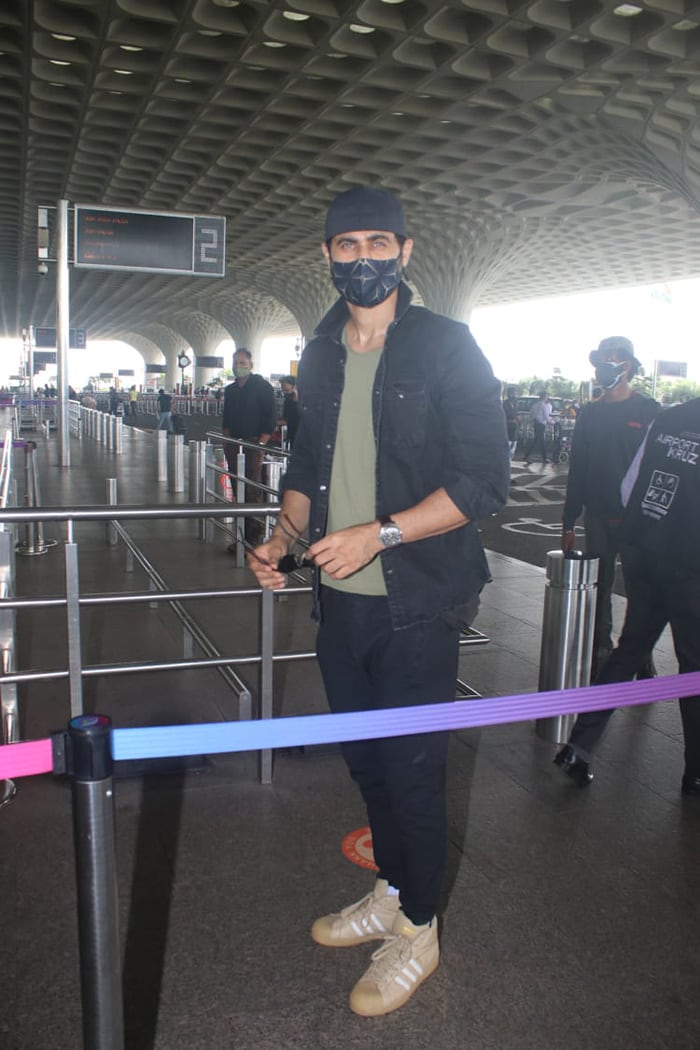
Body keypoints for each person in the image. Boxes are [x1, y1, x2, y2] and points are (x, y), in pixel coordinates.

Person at [247, 186, 509, 1017]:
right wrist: (282, 539)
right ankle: (394, 891)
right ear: (325, 255)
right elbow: (304, 472)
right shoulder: (319, 355)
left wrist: (379, 535)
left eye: (378, 243)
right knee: (367, 764)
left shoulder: (447, 347)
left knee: (414, 771)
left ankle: (421, 929)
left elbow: (482, 484)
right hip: (341, 601)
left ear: (406, 249)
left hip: (419, 602)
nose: (363, 258)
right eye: (347, 245)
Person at [555, 398, 700, 795]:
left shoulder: (668, 418)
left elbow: (628, 487)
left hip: (647, 553)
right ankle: (696, 772)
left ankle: (579, 746)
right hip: (690, 566)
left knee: (629, 649)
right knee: (694, 667)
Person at [561, 336, 660, 677]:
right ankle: (600, 649)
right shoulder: (590, 413)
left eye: (609, 361)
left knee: (639, 590)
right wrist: (568, 520)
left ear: (627, 367)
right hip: (598, 515)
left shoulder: (648, 411)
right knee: (600, 587)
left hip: (637, 521)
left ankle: (638, 656)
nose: (602, 368)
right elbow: (578, 468)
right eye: (599, 362)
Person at [222, 348, 276, 545]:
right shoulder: (230, 390)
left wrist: (260, 443)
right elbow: (226, 419)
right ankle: (242, 535)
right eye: (236, 363)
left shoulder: (262, 387)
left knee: (252, 487)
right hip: (234, 444)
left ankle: (253, 535)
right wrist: (227, 441)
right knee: (238, 486)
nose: (239, 367)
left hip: (253, 443)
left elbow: (270, 417)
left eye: (243, 363)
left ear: (251, 365)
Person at [522, 391, 552, 464]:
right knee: (540, 441)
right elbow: (546, 416)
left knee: (537, 441)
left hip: (536, 423)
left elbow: (531, 414)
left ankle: (528, 456)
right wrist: (552, 422)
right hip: (541, 424)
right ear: (545, 397)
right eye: (547, 396)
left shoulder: (535, 405)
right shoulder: (544, 405)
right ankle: (543, 458)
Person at [279, 375, 299, 448]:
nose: (285, 393)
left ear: (295, 387)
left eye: (287, 390)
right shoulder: (288, 402)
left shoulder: (304, 403)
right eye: (283, 391)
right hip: (292, 435)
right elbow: (286, 418)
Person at [502, 386, 519, 459]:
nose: (515, 396)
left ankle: (509, 463)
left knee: (512, 448)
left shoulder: (515, 404)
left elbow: (516, 414)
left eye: (516, 394)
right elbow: (506, 415)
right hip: (508, 428)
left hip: (513, 428)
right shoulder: (505, 404)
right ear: (510, 394)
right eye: (514, 394)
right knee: (507, 448)